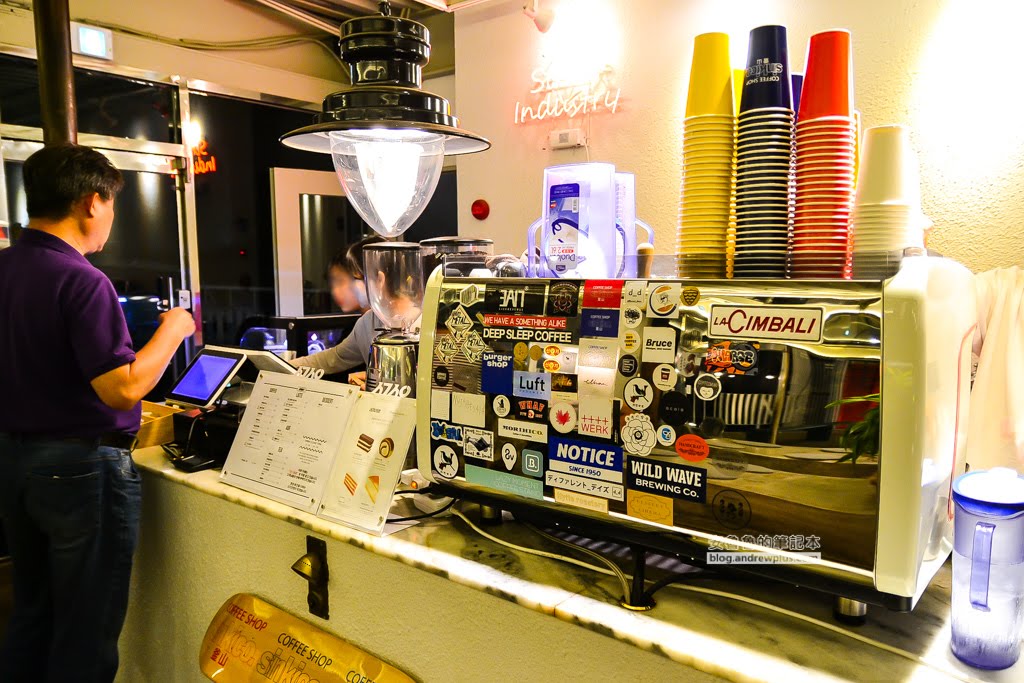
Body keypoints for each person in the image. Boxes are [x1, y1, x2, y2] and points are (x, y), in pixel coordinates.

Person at [0, 144, 195, 682]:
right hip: (80, 471)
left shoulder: (7, 267)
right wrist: (172, 330)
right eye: (112, 205)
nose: (111, 217)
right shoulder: (82, 280)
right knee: (86, 634)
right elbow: (122, 388)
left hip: (14, 463)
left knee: (33, 616)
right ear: (92, 202)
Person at [293, 235, 382, 387]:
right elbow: (333, 358)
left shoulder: (422, 322)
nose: (350, 287)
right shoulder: (366, 323)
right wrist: (279, 365)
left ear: (379, 279)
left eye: (354, 279)